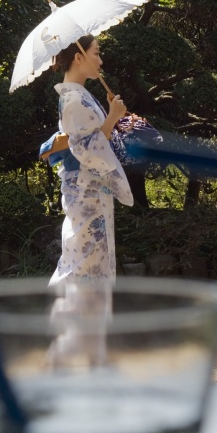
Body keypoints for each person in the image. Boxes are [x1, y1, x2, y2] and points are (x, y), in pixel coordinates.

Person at [47, 34, 133, 287]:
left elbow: (92, 140)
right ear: (78, 57)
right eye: (96, 53)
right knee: (85, 263)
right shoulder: (74, 99)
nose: (101, 60)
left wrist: (111, 117)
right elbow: (88, 149)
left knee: (89, 261)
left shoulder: (78, 95)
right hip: (87, 191)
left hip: (89, 189)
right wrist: (112, 117)